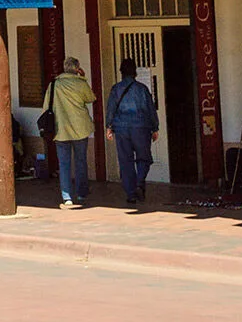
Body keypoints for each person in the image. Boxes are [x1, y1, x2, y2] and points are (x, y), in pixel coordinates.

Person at [106, 57, 159, 204]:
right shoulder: (142, 89)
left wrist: (109, 127)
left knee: (125, 161)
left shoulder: (116, 89)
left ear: (121, 72)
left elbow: (111, 109)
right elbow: (150, 109)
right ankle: (139, 182)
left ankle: (130, 193)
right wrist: (155, 127)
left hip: (121, 128)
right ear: (134, 72)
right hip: (141, 128)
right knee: (144, 158)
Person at [47, 57, 97, 209]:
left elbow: (46, 106)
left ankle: (67, 197)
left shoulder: (54, 84)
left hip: (60, 129)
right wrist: (83, 77)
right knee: (81, 161)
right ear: (77, 68)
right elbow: (91, 98)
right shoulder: (80, 83)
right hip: (80, 128)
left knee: (64, 164)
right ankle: (81, 193)